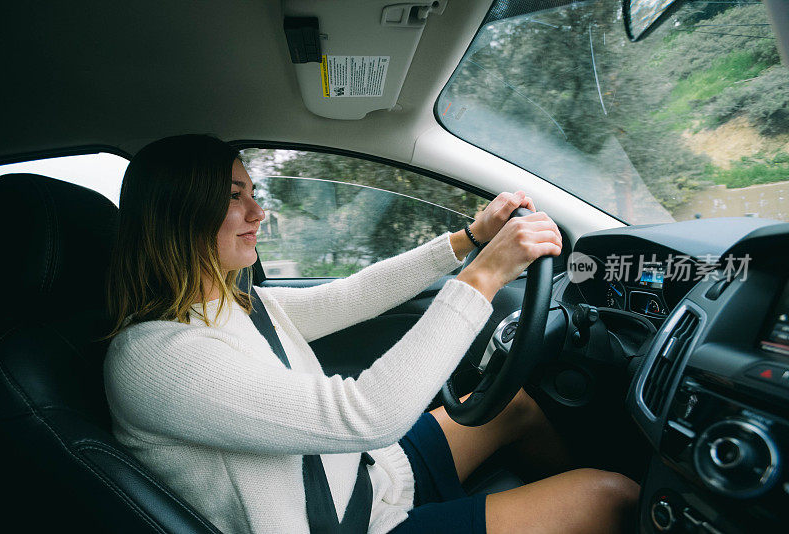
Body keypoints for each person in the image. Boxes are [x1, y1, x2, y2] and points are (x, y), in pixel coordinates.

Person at [104, 134, 638, 534]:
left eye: (252, 191)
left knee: (512, 405)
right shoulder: (156, 359)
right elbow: (365, 413)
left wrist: (468, 239)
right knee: (610, 497)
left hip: (367, 476)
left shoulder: (231, 305)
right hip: (352, 527)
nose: (257, 211)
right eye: (232, 196)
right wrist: (484, 276)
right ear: (180, 212)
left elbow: (350, 296)